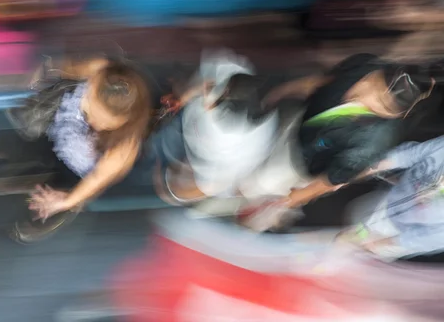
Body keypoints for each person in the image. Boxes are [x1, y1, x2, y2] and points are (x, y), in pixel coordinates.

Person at [245, 53, 435, 231]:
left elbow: (330, 180)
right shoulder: (364, 62)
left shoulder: (372, 144)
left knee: (258, 186)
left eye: (381, 103)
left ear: (395, 114)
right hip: (302, 122)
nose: (364, 96)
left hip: (302, 163)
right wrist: (283, 91)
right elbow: (322, 82)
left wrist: (293, 199)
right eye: (372, 82)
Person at [2, 57, 152, 243]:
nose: (94, 124)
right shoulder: (98, 69)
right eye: (91, 113)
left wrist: (68, 201)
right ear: (94, 84)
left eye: (107, 125)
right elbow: (65, 67)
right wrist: (46, 68)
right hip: (60, 129)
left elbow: (98, 178)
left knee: (61, 194)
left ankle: (58, 210)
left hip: (79, 168)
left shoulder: (125, 146)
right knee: (35, 152)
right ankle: (27, 171)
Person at [152, 49, 295, 215]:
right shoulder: (217, 137)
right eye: (177, 171)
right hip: (236, 63)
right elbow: (209, 87)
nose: (181, 164)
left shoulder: (219, 172)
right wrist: (186, 95)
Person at [339, 136, 444, 260]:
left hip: (396, 231)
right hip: (388, 200)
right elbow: (408, 155)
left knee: (352, 247)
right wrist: (365, 169)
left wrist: (381, 243)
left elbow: (425, 239)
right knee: (353, 217)